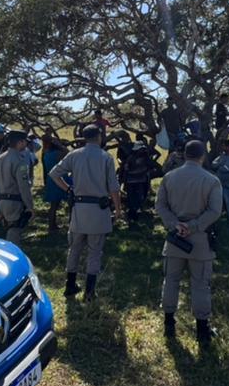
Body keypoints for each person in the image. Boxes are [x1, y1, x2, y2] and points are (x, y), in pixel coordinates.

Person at [156, 139, 223, 346]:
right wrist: (193, 226)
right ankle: (202, 329)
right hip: (200, 238)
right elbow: (214, 211)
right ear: (203, 156)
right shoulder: (211, 180)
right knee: (201, 284)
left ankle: (169, 323)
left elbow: (160, 206)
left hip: (175, 238)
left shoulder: (169, 177)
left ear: (184, 154)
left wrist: (175, 224)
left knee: (171, 280)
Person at [50, 124, 121, 301]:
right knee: (95, 251)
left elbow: (54, 174)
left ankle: (70, 285)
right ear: (99, 136)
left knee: (74, 249)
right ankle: (89, 292)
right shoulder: (106, 157)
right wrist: (118, 209)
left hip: (78, 210)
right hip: (98, 210)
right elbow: (114, 187)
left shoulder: (74, 155)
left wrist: (68, 189)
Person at [0, 131, 34, 246]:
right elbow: (24, 186)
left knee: (9, 229)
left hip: (2, 199)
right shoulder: (20, 161)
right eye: (25, 142)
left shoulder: (1, 157)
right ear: (20, 142)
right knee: (14, 231)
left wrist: (2, 183)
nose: (26, 144)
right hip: (14, 201)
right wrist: (30, 206)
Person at [121, 141, 154, 225]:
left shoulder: (146, 157)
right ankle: (131, 216)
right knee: (131, 199)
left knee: (139, 198)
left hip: (141, 181)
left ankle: (136, 215)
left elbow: (150, 166)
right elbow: (126, 170)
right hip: (132, 181)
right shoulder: (130, 158)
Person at [40, 135, 68, 233]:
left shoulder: (46, 153)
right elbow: (67, 153)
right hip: (61, 179)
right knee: (71, 202)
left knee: (54, 205)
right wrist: (60, 145)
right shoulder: (58, 153)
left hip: (50, 180)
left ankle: (51, 226)